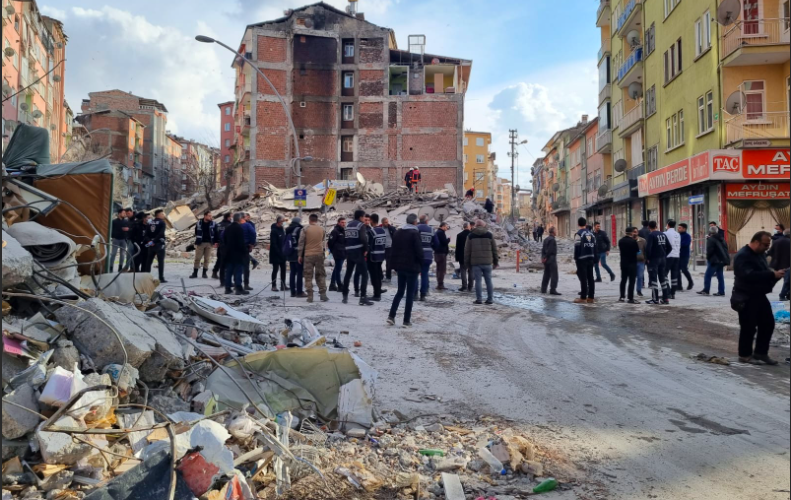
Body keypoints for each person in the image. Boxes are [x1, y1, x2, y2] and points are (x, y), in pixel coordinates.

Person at [732, 231, 787, 365]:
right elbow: (747, 275)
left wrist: (774, 274)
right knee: (748, 326)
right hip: (745, 295)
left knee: (768, 323)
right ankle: (744, 355)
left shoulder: (760, 254)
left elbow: (764, 270)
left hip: (759, 295)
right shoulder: (742, 255)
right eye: (765, 244)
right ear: (756, 242)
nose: (767, 247)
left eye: (768, 245)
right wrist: (771, 275)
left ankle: (761, 353)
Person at [387, 214, 423, 327]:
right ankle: (406, 320)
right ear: (415, 222)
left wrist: (394, 265)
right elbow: (419, 251)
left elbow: (394, 250)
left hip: (400, 267)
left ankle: (391, 316)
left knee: (400, 291)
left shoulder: (398, 232)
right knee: (410, 294)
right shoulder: (415, 233)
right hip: (412, 267)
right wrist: (421, 264)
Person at [465, 219, 499, 305]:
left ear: (475, 226)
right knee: (488, 281)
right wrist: (495, 261)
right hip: (487, 262)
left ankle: (479, 299)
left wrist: (467, 263)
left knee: (478, 281)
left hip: (476, 263)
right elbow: (494, 250)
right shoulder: (489, 235)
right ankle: (490, 299)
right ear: (484, 225)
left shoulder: (470, 236)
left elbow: (467, 251)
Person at [343, 210, 373, 306]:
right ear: (361, 217)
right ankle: (363, 297)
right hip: (358, 252)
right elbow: (363, 238)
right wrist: (366, 249)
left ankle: (345, 295)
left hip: (349, 252)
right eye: (364, 217)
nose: (365, 219)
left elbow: (345, 239)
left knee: (348, 273)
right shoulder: (361, 225)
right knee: (364, 274)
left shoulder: (348, 226)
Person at [297, 214, 328, 303]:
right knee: (320, 274)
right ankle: (323, 294)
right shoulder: (322, 229)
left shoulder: (305, 229)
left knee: (308, 276)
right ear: (317, 220)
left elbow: (301, 242)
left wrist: (299, 255)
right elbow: (323, 240)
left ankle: (310, 296)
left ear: (310, 220)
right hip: (319, 254)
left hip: (308, 255)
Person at [645, 221, 672, 305]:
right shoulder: (663, 234)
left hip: (654, 259)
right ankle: (665, 298)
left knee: (653, 279)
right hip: (663, 259)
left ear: (649, 227)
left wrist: (648, 258)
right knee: (662, 278)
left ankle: (655, 298)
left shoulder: (651, 235)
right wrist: (664, 254)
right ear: (656, 226)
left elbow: (648, 248)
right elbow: (670, 247)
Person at [698, 226, 730, 296]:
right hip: (722, 260)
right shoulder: (722, 239)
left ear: (710, 232)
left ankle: (706, 290)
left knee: (707, 275)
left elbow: (710, 251)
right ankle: (721, 291)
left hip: (714, 260)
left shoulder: (711, 240)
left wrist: (708, 258)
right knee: (720, 276)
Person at [222, 213, 249, 295]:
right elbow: (241, 242)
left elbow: (224, 239)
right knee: (238, 270)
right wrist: (245, 251)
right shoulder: (239, 228)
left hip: (229, 252)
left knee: (229, 270)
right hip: (238, 253)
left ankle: (227, 288)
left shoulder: (228, 228)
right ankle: (238, 288)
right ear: (240, 219)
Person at [573, 217, 597, 304]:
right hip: (591, 257)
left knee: (583, 278)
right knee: (591, 277)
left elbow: (577, 247)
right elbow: (595, 247)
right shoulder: (592, 234)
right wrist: (595, 258)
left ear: (578, 224)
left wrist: (576, 258)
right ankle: (591, 297)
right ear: (585, 224)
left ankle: (583, 297)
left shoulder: (579, 234)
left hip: (582, 258)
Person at [367, 213, 388, 301]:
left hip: (373, 256)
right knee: (379, 274)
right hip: (381, 255)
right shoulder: (383, 231)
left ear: (371, 220)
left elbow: (369, 245)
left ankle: (376, 295)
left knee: (374, 275)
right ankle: (378, 290)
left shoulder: (371, 232)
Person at [191, 210, 217, 279]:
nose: (210, 217)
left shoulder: (213, 223)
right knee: (197, 258)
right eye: (209, 216)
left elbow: (216, 233)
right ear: (205, 216)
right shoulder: (199, 222)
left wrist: (215, 242)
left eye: (211, 216)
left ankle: (204, 273)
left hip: (209, 243)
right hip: (201, 243)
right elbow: (196, 231)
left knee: (207, 259)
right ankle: (195, 273)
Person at [286, 217, 307, 298]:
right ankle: (299, 291)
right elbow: (302, 242)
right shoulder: (299, 229)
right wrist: (301, 255)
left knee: (292, 272)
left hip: (290, 253)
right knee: (299, 273)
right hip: (298, 253)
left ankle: (292, 291)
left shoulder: (288, 229)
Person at [145, 210, 168, 283]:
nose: (163, 215)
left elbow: (146, 234)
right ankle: (161, 277)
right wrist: (154, 241)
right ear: (158, 215)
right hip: (159, 244)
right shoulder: (162, 223)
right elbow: (161, 234)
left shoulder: (149, 222)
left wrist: (150, 241)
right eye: (162, 214)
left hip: (151, 245)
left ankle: (146, 277)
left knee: (149, 261)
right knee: (160, 261)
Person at [618, 227, 640, 304]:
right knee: (632, 281)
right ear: (631, 233)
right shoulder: (633, 242)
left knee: (623, 280)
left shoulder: (620, 241)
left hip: (623, 263)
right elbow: (637, 252)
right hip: (632, 263)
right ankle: (630, 298)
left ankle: (622, 296)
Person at [768, 228, 790, 301]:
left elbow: (770, 252)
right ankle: (783, 296)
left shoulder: (776, 241)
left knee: (773, 280)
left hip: (776, 265)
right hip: (787, 265)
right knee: (787, 282)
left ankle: (763, 291)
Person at [417, 214, 434, 301]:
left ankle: (414, 293)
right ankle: (423, 294)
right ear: (427, 221)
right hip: (428, 255)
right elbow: (436, 243)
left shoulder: (416, 228)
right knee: (424, 274)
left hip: (417, 255)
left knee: (415, 274)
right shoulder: (431, 229)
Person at [269, 215, 288, 292]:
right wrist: (279, 252)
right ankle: (274, 285)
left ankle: (283, 285)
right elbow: (273, 243)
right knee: (275, 270)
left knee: (283, 270)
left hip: (283, 253)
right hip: (275, 254)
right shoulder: (274, 231)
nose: (284, 223)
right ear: (279, 222)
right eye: (283, 222)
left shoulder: (282, 229)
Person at [328, 217, 346, 292]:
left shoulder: (343, 231)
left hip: (343, 252)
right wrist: (333, 251)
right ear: (338, 222)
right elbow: (330, 243)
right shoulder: (335, 231)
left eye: (344, 222)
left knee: (337, 268)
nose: (344, 224)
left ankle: (332, 284)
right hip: (338, 253)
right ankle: (339, 285)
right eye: (342, 222)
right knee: (338, 269)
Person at [663, 220, 681, 299]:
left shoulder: (665, 233)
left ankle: (667, 291)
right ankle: (673, 292)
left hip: (668, 256)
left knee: (664, 274)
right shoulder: (678, 234)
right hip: (676, 255)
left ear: (667, 225)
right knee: (674, 275)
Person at [212, 213, 232, 282]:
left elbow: (214, 234)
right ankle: (224, 276)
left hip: (219, 244)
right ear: (228, 217)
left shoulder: (218, 224)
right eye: (231, 216)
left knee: (219, 259)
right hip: (226, 245)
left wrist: (215, 242)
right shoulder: (229, 225)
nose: (231, 218)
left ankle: (215, 272)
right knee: (225, 260)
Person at [541, 226, 560, 295]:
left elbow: (543, 250)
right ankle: (553, 289)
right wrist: (546, 256)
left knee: (546, 274)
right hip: (551, 258)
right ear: (553, 232)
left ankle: (543, 289)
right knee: (554, 275)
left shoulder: (546, 239)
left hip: (546, 259)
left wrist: (543, 257)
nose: (556, 231)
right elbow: (550, 250)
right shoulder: (552, 240)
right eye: (556, 230)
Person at [455, 222, 473, 292]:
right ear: (469, 227)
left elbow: (457, 247)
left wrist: (457, 257)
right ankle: (470, 286)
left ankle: (464, 286)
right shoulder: (472, 235)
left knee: (463, 271)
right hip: (471, 256)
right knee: (471, 271)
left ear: (463, 227)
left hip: (462, 256)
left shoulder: (459, 235)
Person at [242, 213, 258, 290]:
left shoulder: (249, 224)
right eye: (245, 217)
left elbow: (253, 234)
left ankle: (241, 284)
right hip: (245, 246)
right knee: (243, 266)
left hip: (243, 246)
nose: (246, 218)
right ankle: (244, 284)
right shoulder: (247, 225)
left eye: (247, 217)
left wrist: (252, 244)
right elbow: (253, 234)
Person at [434, 222, 451, 290]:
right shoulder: (441, 233)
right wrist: (448, 239)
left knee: (438, 269)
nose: (447, 228)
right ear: (443, 226)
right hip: (441, 253)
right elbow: (444, 242)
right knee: (441, 269)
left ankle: (439, 283)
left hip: (437, 253)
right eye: (446, 226)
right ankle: (440, 284)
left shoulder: (437, 232)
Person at [677, 223, 694, 291]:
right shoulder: (677, 235)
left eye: (680, 228)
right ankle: (679, 286)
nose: (678, 229)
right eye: (678, 227)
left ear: (684, 228)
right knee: (677, 270)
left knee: (684, 269)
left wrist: (677, 244)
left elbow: (685, 244)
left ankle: (690, 282)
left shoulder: (687, 236)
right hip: (677, 255)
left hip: (684, 255)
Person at [382, 218, 396, 283]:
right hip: (382, 247)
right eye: (385, 222)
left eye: (387, 222)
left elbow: (396, 236)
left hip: (390, 247)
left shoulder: (391, 228)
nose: (386, 223)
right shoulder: (381, 229)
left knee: (388, 263)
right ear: (382, 223)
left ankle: (388, 277)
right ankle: (381, 276)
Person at [635, 227, 647, 297]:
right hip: (632, 262)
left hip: (641, 261)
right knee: (632, 277)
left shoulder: (642, 241)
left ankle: (639, 290)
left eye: (636, 232)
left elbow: (646, 250)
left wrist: (645, 258)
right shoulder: (629, 240)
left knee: (640, 276)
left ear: (638, 232)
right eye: (633, 232)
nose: (634, 233)